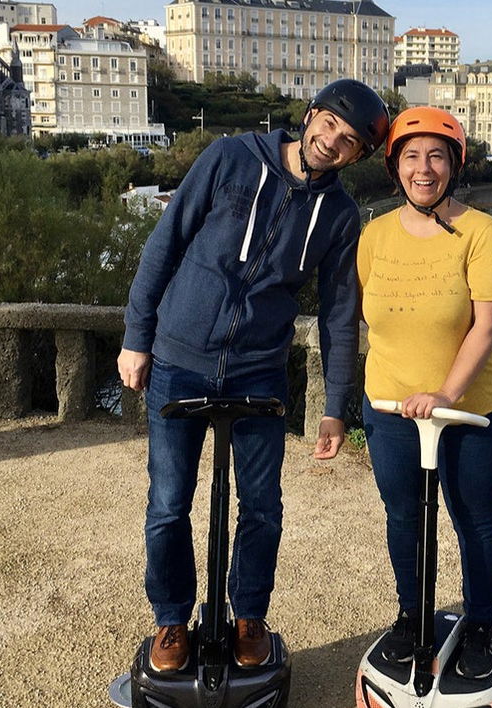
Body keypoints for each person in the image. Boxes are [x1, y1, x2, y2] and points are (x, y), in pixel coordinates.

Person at [117, 79, 389, 673]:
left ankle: (248, 616)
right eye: (328, 125)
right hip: (179, 358)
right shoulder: (232, 157)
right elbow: (165, 243)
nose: (332, 142)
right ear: (310, 115)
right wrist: (137, 337)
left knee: (262, 504)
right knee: (168, 503)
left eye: (348, 142)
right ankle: (169, 620)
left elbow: (342, 314)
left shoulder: (340, 215)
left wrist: (335, 406)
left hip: (261, 369)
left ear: (358, 156)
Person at [356, 106, 492, 680]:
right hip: (393, 408)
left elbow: (489, 324)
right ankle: (411, 614)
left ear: (455, 164)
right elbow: (365, 317)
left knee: (474, 518)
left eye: (437, 156)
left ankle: (480, 622)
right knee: (404, 517)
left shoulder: (481, 232)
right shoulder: (374, 234)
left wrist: (446, 391)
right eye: (412, 156)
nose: (424, 168)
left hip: (471, 407)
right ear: (396, 166)